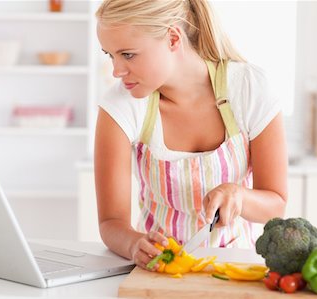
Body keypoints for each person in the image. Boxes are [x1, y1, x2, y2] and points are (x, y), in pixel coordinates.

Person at [94, 0, 288, 271]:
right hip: (159, 272)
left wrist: (239, 197)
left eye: (127, 55)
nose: (116, 70)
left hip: (238, 271)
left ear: (173, 38)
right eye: (110, 55)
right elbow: (110, 223)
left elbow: (275, 204)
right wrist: (134, 244)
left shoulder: (248, 88)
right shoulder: (122, 104)